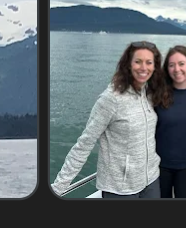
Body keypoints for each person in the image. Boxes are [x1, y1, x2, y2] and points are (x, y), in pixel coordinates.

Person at [52, 41, 164, 198]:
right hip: (120, 189)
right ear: (128, 65)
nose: (143, 68)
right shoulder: (111, 99)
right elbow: (84, 144)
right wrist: (58, 187)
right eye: (138, 61)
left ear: (155, 66)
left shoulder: (150, 93)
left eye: (149, 62)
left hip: (151, 181)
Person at [153, 44, 186, 198]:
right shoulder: (158, 94)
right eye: (171, 65)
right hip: (159, 165)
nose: (176, 69)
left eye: (181, 64)